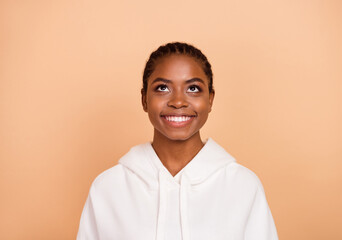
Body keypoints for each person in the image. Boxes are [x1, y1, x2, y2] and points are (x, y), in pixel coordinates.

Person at [77, 42, 278, 240]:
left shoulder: (243, 186)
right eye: (163, 88)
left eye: (193, 88)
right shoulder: (108, 187)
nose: (178, 101)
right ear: (144, 99)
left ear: (210, 99)